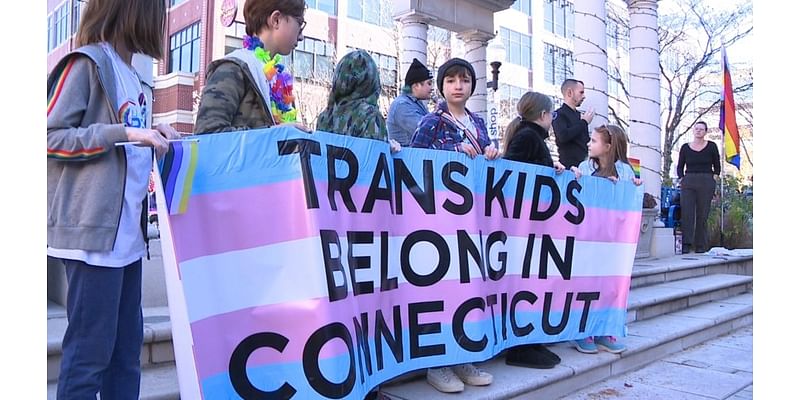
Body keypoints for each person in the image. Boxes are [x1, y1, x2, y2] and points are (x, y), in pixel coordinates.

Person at [46, 0, 180, 398]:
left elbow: (128, 142)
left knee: (125, 360)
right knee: (89, 359)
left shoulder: (133, 77)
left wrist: (152, 132)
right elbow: (49, 137)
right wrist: (124, 133)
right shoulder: (86, 64)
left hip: (127, 242)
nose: (163, 18)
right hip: (93, 243)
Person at [410, 57, 498, 394]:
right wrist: (450, 150)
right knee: (441, 288)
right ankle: (437, 362)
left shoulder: (478, 122)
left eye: (463, 79)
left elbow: (487, 164)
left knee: (466, 286)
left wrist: (491, 152)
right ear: (442, 86)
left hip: (472, 218)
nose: (457, 85)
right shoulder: (431, 122)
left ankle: (462, 352)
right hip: (439, 219)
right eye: (450, 80)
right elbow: (415, 161)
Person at [502, 91, 566, 369]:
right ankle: (521, 347)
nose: (552, 119)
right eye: (551, 114)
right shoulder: (528, 138)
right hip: (524, 225)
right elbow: (512, 172)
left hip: (531, 223)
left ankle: (530, 341)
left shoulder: (530, 138)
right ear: (543, 115)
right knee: (526, 284)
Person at [571, 124, 642, 355]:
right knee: (586, 284)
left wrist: (629, 189)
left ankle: (604, 328)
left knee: (609, 286)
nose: (589, 144)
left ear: (608, 147)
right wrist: (576, 179)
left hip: (613, 242)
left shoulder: (626, 172)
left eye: (594, 141)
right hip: (588, 238)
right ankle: (582, 330)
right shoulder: (584, 167)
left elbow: (630, 201)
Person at [194, 0, 308, 134]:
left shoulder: (280, 80)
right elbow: (207, 134)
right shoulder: (232, 69)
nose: (301, 36)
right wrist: (272, 134)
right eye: (299, 24)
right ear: (276, 20)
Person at [316, 49, 398, 152]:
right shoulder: (370, 117)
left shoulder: (325, 117)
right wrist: (385, 149)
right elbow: (372, 161)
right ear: (371, 81)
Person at [675, 121, 721, 254]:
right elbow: (680, 166)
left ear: (706, 132)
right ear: (693, 131)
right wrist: (681, 178)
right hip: (689, 180)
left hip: (706, 180)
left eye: (701, 129)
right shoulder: (685, 147)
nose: (698, 131)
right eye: (696, 129)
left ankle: (700, 245)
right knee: (687, 213)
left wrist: (715, 177)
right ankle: (686, 244)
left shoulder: (711, 146)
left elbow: (717, 165)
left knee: (703, 214)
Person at [386, 58, 434, 146]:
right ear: (416, 86)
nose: (431, 88)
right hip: (406, 157)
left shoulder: (416, 103)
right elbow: (427, 131)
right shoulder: (402, 106)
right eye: (429, 83)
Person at [552, 78, 594, 168]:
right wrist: (584, 122)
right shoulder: (559, 114)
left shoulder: (580, 117)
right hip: (567, 167)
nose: (584, 96)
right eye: (581, 92)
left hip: (584, 167)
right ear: (569, 93)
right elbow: (563, 136)